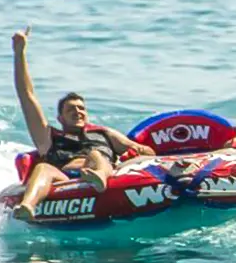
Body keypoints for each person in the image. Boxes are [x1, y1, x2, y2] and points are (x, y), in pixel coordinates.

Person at [9, 27, 155, 221]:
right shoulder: (49, 138)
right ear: (60, 119)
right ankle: (28, 206)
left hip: (102, 170)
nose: (78, 112)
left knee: (95, 154)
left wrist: (140, 149)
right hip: (65, 178)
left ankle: (100, 178)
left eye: (81, 109)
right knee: (43, 169)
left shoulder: (104, 134)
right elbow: (27, 96)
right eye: (71, 110)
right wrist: (19, 53)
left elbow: (146, 152)